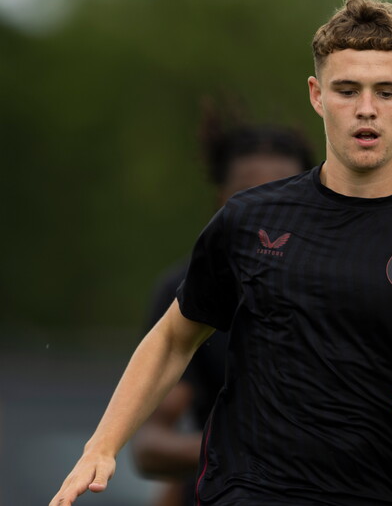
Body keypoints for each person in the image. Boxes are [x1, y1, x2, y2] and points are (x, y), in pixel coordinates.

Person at [51, 0, 392, 506]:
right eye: (346, 90)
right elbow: (173, 340)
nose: (366, 109)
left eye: (386, 91)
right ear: (317, 95)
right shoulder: (249, 220)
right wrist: (101, 446)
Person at [131, 113, 315, 505]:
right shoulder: (188, 291)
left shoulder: (358, 283)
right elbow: (149, 444)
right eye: (250, 197)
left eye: (286, 195)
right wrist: (240, 450)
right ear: (221, 203)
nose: (269, 213)